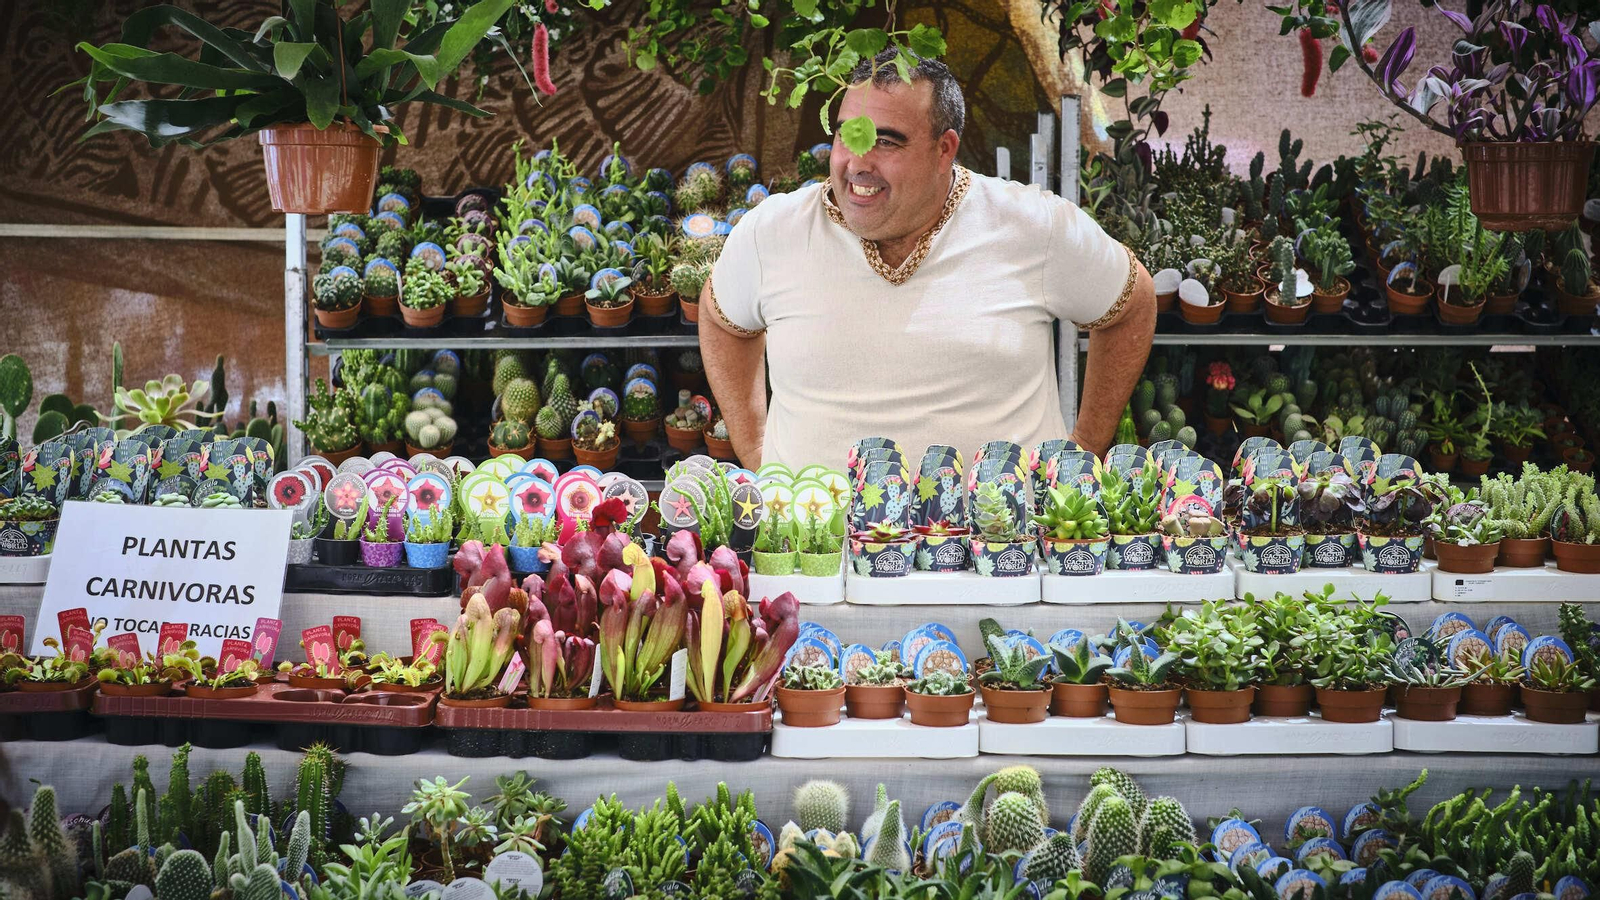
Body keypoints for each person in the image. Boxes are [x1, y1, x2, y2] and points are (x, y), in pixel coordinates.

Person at [699, 50, 1155, 470]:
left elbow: (1132, 302)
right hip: (814, 551)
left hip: (998, 552)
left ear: (944, 149)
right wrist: (755, 448)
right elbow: (721, 318)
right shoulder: (773, 231)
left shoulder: (1033, 225)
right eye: (846, 136)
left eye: (886, 142)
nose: (858, 163)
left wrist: (1086, 450)